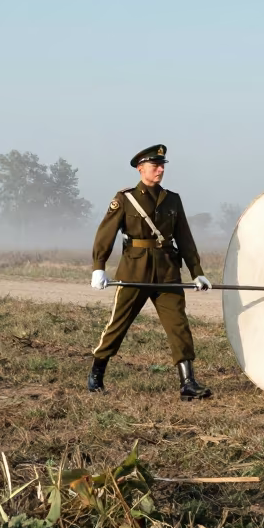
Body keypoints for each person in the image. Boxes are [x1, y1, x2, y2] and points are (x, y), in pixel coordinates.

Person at [88, 144, 214, 399]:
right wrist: (99, 267)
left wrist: (197, 271)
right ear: (140, 168)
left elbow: (185, 238)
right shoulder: (125, 198)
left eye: (162, 165)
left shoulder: (172, 199)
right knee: (118, 324)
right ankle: (96, 374)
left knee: (179, 326)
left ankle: (188, 384)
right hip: (134, 272)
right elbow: (105, 234)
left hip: (167, 272)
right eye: (155, 165)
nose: (160, 170)